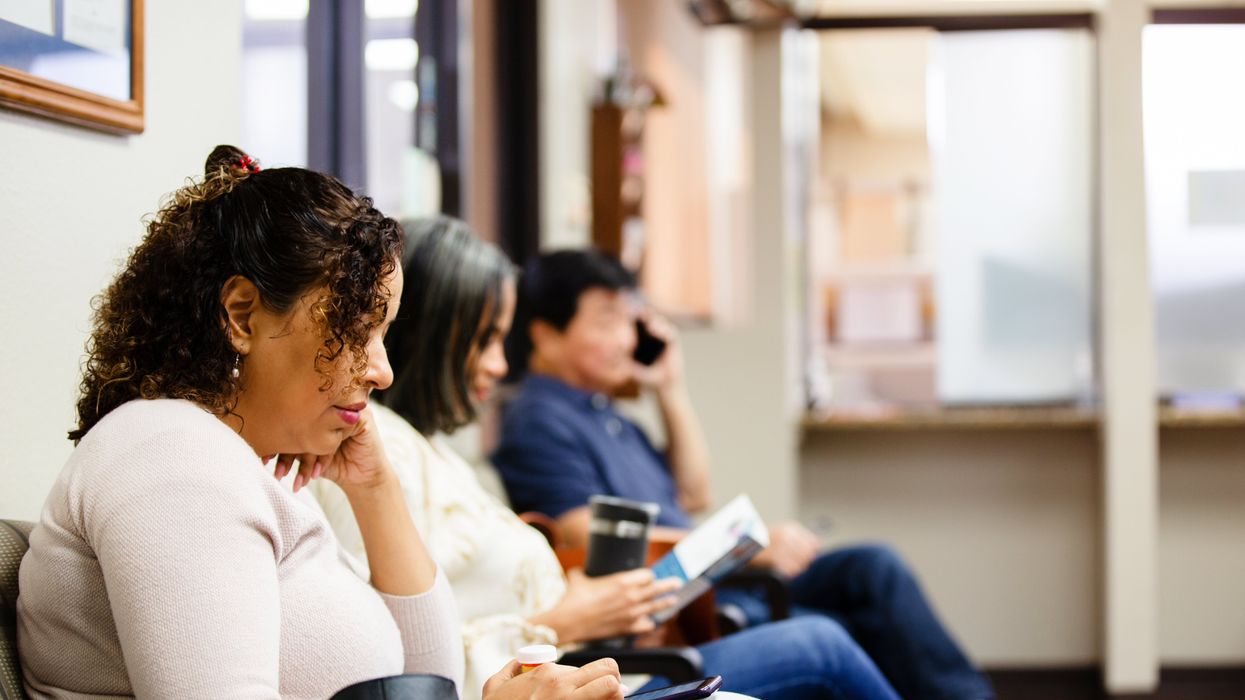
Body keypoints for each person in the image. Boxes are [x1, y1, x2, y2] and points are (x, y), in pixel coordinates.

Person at [15, 148, 623, 700]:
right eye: (358, 331)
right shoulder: (173, 457)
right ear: (242, 316)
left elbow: (424, 682)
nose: (382, 372)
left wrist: (375, 488)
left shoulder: (245, 465)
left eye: (383, 335)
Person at [310, 217, 906, 700]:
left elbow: (693, 495)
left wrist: (670, 388)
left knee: (864, 579)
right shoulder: (384, 452)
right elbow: (408, 656)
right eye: (487, 339)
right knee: (823, 642)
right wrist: (573, 616)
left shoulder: (449, 449)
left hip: (603, 642)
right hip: (579, 662)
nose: (498, 362)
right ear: (435, 335)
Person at [492, 249, 996, 700]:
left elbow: (693, 491)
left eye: (629, 320)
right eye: (606, 322)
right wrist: (741, 544)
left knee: (874, 568)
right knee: (845, 627)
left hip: (716, 577)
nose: (627, 337)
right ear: (545, 335)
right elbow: (584, 536)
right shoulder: (540, 419)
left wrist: (670, 388)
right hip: (690, 597)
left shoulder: (606, 413)